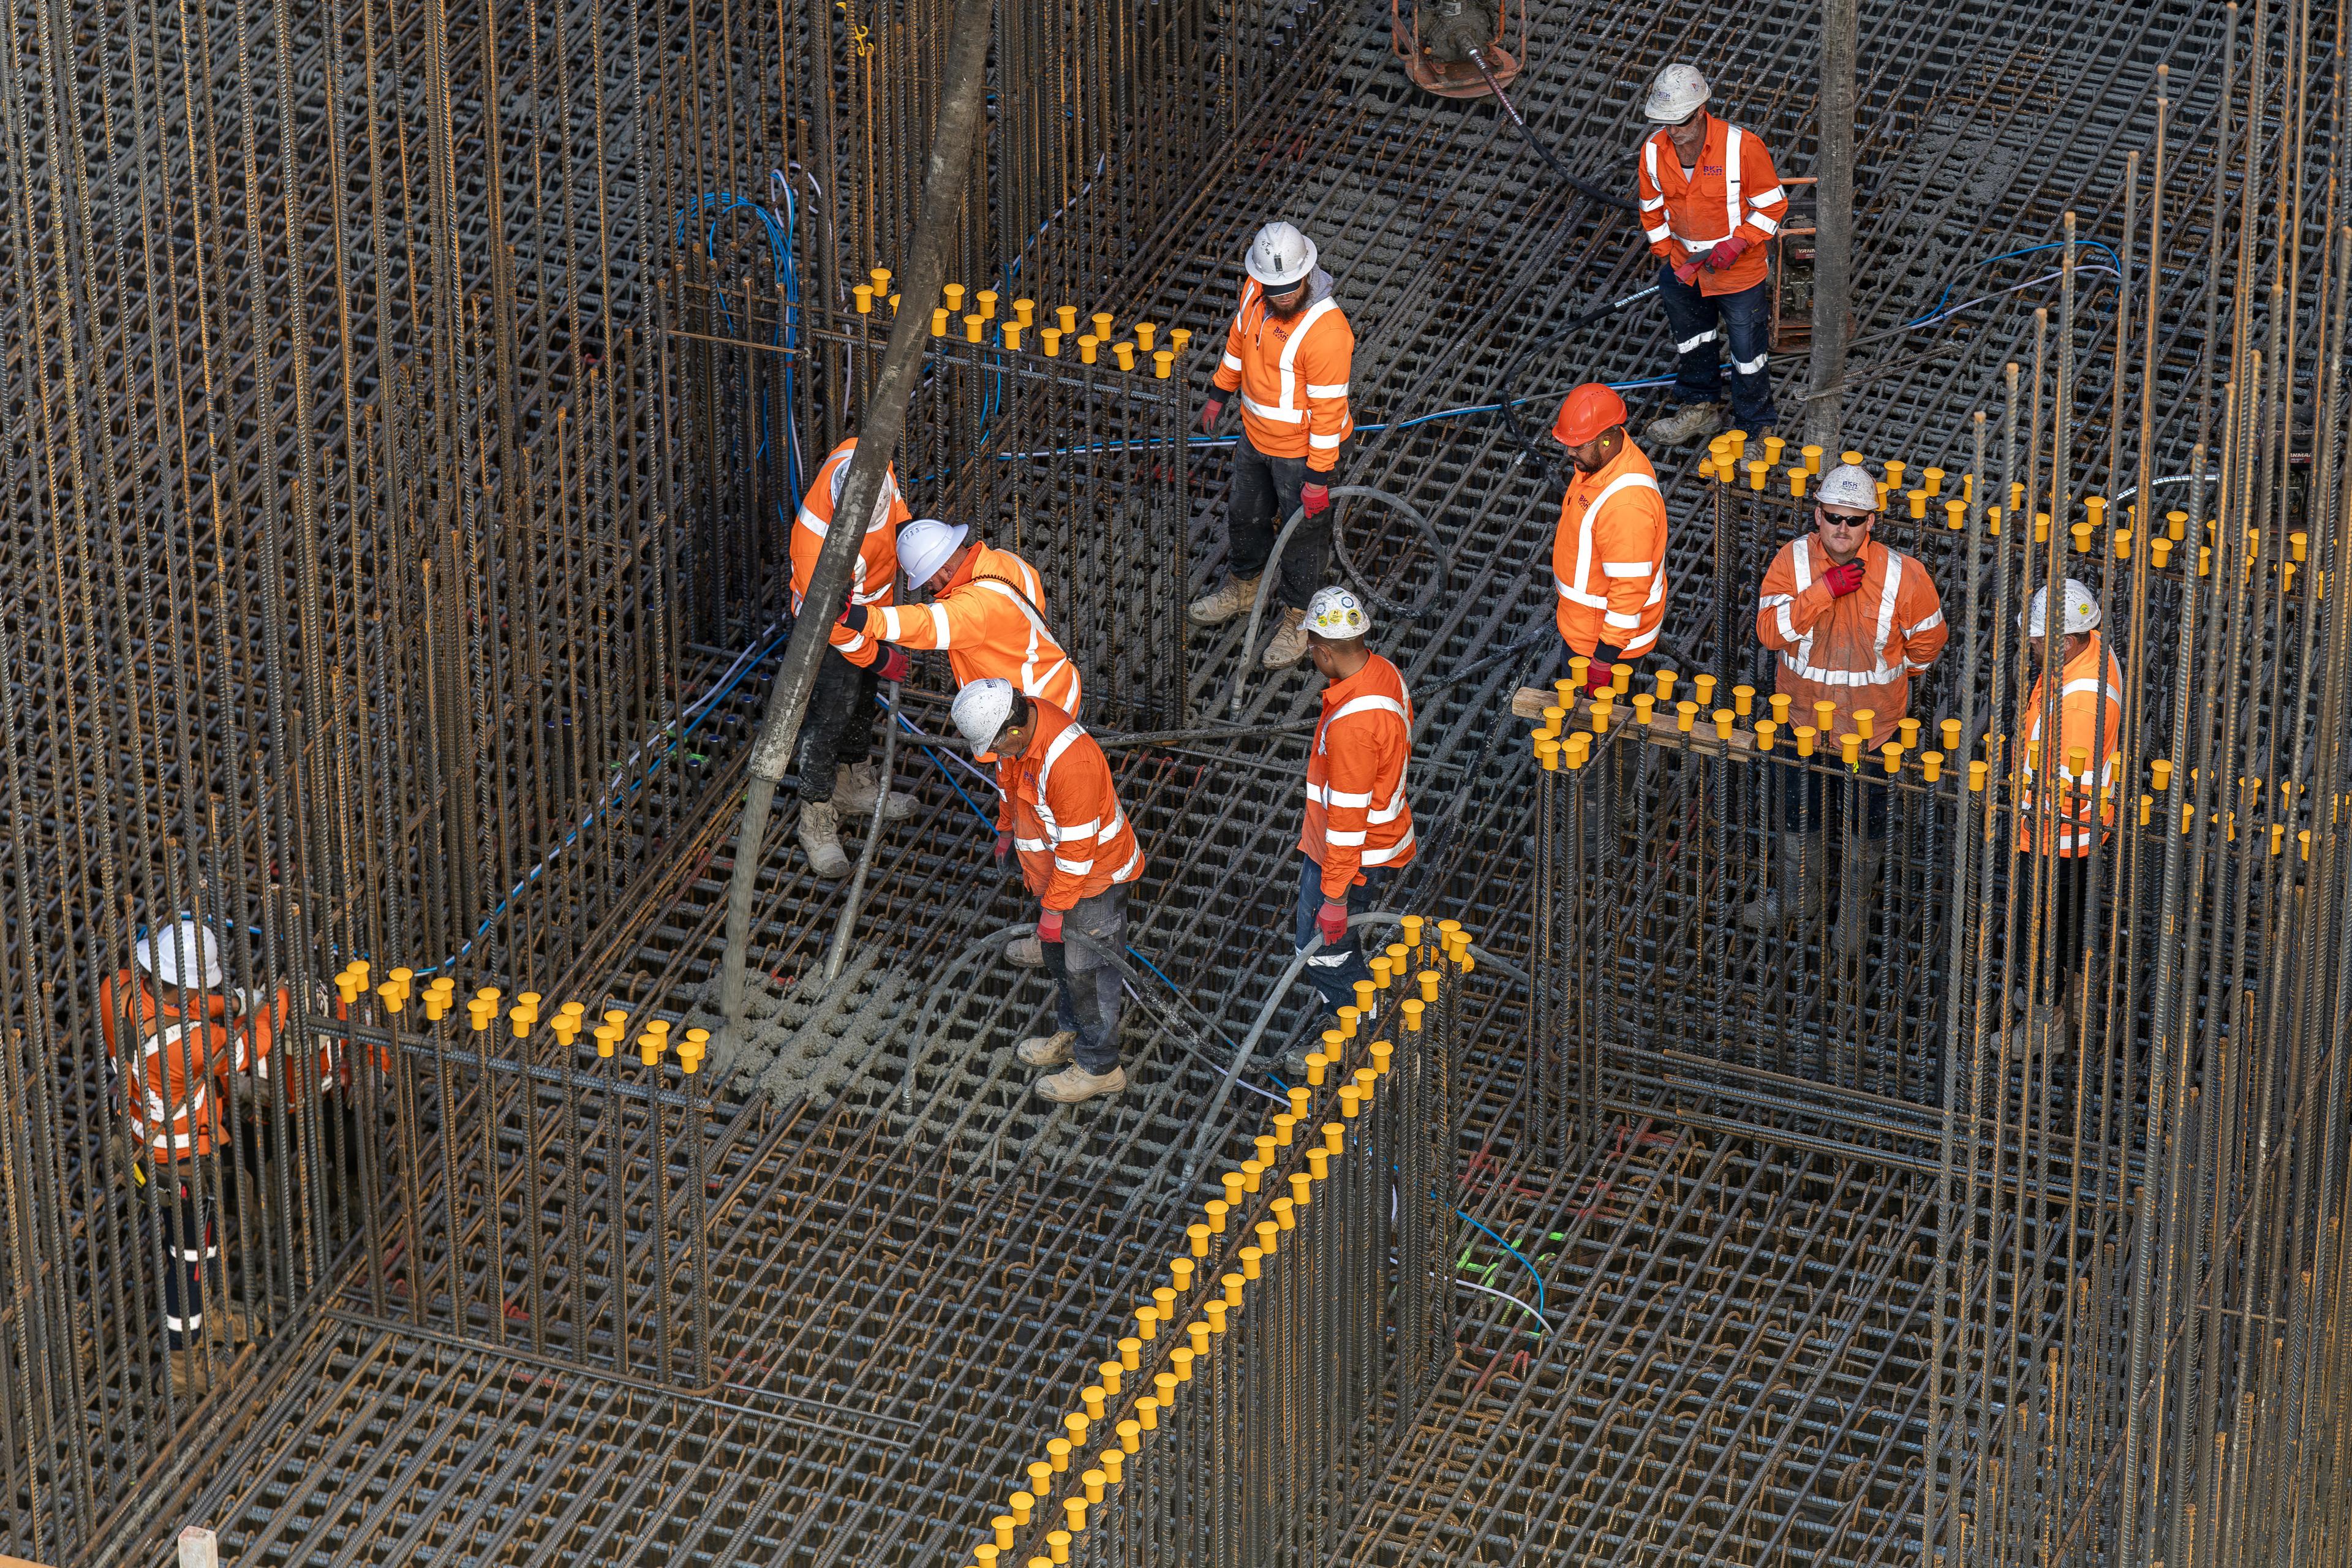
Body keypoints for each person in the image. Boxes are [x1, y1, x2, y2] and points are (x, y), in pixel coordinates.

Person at [1746, 462, 1948, 953]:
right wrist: (1822, 592)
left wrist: (1897, 681)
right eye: (1833, 516)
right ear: (1817, 514)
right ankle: (1800, 899)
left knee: (1864, 820)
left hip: (1872, 735)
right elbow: (1769, 633)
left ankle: (1853, 916)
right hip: (1803, 727)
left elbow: (1928, 642)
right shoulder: (1791, 563)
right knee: (1799, 811)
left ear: (1871, 523)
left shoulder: (1904, 576)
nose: (1842, 528)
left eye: (1854, 520)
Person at [97, 919, 278, 1395]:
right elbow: (248, 1046)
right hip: (178, 1157)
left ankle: (208, 1314)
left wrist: (237, 1002)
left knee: (201, 1240)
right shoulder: (190, 1044)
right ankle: (183, 1365)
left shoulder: (115, 991)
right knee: (188, 1260)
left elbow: (184, 1006)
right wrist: (279, 1006)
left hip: (137, 1135)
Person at [954, 679, 1147, 1103]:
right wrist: (1006, 830)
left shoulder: (1069, 762)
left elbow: (1079, 852)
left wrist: (1055, 911)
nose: (994, 756)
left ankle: (1101, 1067)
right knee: (1063, 963)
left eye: (996, 745)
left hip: (1094, 881)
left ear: (1015, 732)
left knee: (1089, 974)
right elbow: (1009, 782)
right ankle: (1073, 1033)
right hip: (1057, 880)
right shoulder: (1023, 731)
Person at [1189, 221, 1356, 671]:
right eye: (1272, 287)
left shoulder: (1328, 332)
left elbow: (1326, 414)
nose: (1280, 295)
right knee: (1245, 515)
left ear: (1307, 273)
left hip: (1303, 453)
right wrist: (1219, 393)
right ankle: (1245, 588)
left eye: (1288, 287)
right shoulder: (1254, 292)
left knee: (1303, 536)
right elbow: (1238, 345)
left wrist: (1318, 478)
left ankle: (1299, 617)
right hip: (1255, 437)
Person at [1634, 63, 1789, 447]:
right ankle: (1700, 410)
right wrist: (1668, 254)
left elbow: (1772, 205)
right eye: (1665, 123)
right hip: (1684, 269)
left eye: (1681, 122)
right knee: (1693, 342)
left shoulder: (1743, 147)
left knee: (1747, 352)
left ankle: (1755, 427)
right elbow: (1651, 208)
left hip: (1738, 274)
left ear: (1702, 110)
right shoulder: (1654, 151)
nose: (1673, 132)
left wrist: (1738, 243)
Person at [791, 435, 921, 877]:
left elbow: (897, 503)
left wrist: (907, 534)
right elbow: (832, 622)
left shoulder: (867, 456)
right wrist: (878, 659)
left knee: (862, 701)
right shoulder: (817, 546)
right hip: (829, 633)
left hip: (874, 612)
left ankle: (853, 783)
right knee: (828, 717)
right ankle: (816, 818)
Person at [1294, 587, 1415, 1027]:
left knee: (1321, 951)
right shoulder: (1382, 672)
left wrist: (1334, 898)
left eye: (1311, 649)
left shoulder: (1352, 727)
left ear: (1324, 652)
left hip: (1351, 855)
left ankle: (1362, 1030)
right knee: (1332, 945)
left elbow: (1346, 825)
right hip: (1380, 838)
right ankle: (1350, 1015)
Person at [2014, 578, 2122, 1027]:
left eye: (2038, 642)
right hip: (2080, 832)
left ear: (2064, 642)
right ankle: (2078, 992)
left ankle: (2047, 1023)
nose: (2031, 648)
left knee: (2037, 930)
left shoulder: (2081, 707)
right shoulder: (2091, 649)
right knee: (2072, 921)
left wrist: (2031, 833)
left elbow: (2061, 790)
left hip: (2053, 835)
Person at [851, 518, 1084, 717]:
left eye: (928, 580)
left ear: (946, 570)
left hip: (1034, 709)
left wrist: (853, 616)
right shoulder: (1004, 560)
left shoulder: (974, 610)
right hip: (1059, 683)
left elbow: (924, 624)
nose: (929, 588)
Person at [1550, 383, 1669, 696]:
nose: (1569, 453)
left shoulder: (1627, 506)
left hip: (1606, 646)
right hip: (1584, 629)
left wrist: (1604, 659)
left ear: (1608, 438)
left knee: (1602, 735)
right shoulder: (1601, 463)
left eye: (1578, 445)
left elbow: (1630, 589)